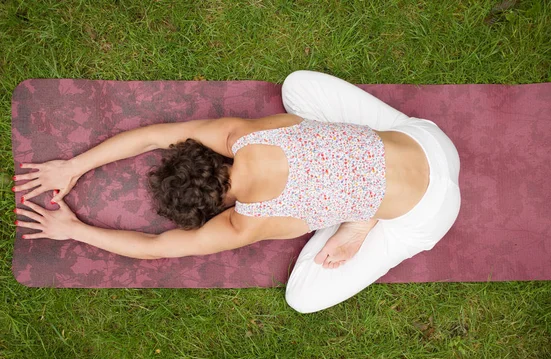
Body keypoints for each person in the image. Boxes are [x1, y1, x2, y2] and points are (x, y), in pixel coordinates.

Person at [13, 71, 461, 313]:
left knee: (302, 298)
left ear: (213, 210)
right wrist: (73, 166)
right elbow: (153, 137)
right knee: (297, 87)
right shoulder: (238, 137)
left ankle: (363, 216)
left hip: (431, 212)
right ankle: (361, 200)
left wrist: (74, 229)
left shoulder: (247, 221)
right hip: (429, 140)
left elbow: (155, 249)